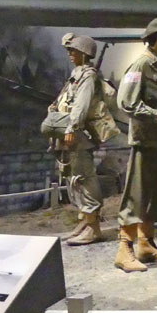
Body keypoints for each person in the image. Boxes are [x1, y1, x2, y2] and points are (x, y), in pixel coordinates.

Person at [113, 14, 157, 272]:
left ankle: (145, 244)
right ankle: (124, 251)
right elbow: (127, 102)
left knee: (152, 196)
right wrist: (155, 116)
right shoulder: (141, 66)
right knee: (136, 196)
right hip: (146, 140)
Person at [42, 33, 106, 246]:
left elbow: (81, 105)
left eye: (74, 50)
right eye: (69, 50)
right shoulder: (77, 74)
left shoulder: (88, 76)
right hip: (69, 133)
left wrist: (71, 126)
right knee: (71, 178)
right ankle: (84, 222)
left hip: (77, 133)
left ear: (85, 53)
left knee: (84, 179)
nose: (70, 54)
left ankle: (94, 228)